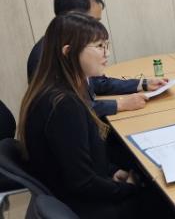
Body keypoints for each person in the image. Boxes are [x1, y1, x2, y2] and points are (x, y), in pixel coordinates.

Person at [18, 13, 153, 218]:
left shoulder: (53, 90)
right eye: (99, 46)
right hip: (85, 207)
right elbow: (83, 183)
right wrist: (129, 188)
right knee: (160, 198)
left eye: (106, 45)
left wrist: (112, 172)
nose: (107, 53)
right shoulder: (64, 105)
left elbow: (80, 162)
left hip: (76, 195)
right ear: (68, 52)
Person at [26, 0, 166, 117]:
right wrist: (120, 104)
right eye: (93, 21)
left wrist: (143, 83)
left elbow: (98, 83)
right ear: (74, 18)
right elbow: (70, 109)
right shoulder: (46, 56)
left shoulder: (61, 46)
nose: (97, 27)